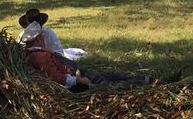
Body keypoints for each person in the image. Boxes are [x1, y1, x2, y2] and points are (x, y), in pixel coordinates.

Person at [19, 21, 169, 90]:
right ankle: (152, 84)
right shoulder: (39, 56)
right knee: (109, 84)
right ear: (38, 38)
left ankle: (150, 80)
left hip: (77, 72)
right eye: (42, 37)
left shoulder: (38, 53)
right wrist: (79, 80)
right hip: (78, 79)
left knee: (112, 75)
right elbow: (56, 77)